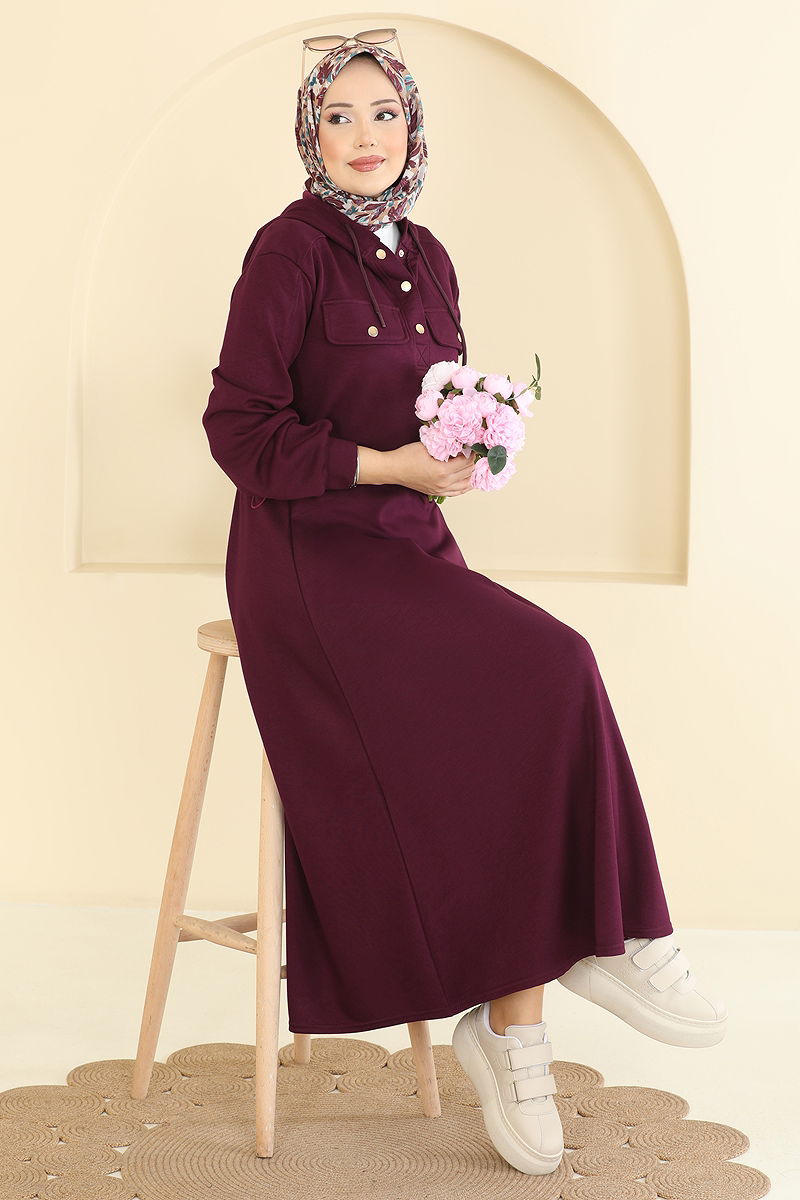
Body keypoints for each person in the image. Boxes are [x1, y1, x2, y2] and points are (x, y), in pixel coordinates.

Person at [202, 35, 727, 1176]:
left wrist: (468, 448)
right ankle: (613, 934)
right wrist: (383, 466)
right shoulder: (288, 250)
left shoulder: (428, 256)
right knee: (551, 665)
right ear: (309, 134)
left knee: (534, 691)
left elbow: (430, 404)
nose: (365, 136)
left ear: (413, 127)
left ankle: (515, 1022)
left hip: (406, 548)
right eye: (339, 116)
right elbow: (237, 430)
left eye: (383, 113)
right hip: (306, 560)